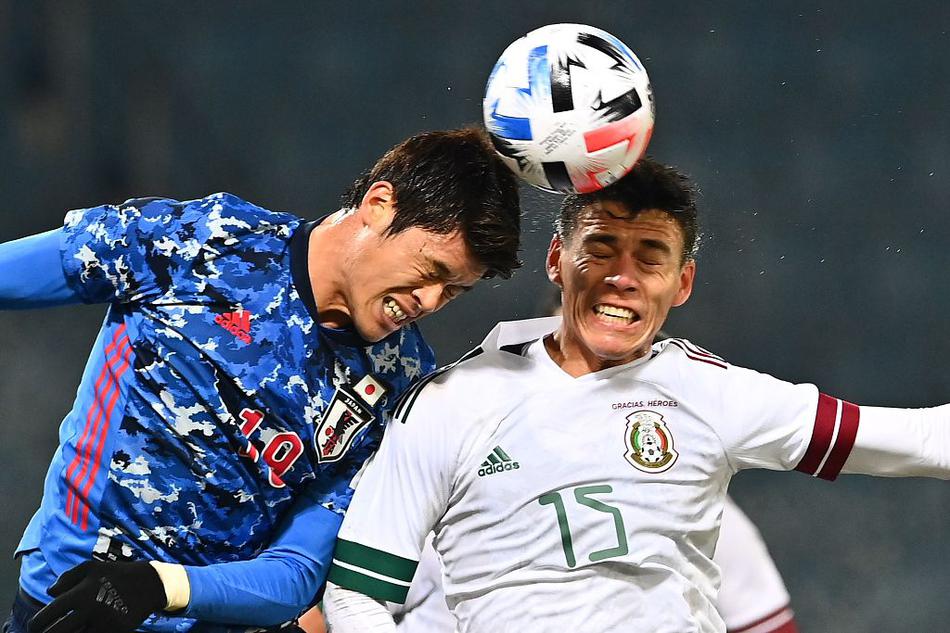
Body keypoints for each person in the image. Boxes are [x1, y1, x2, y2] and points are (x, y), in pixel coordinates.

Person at [320, 157, 949, 632]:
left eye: (650, 258)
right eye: (600, 250)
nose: (622, 278)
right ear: (557, 260)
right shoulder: (450, 402)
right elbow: (357, 593)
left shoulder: (709, 392)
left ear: (683, 282)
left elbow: (925, 439)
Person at [0, 127, 522, 633]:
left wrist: (161, 587)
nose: (429, 301)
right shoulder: (206, 242)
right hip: (67, 603)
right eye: (431, 270)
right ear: (380, 204)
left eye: (454, 291)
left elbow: (297, 572)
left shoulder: (400, 382)